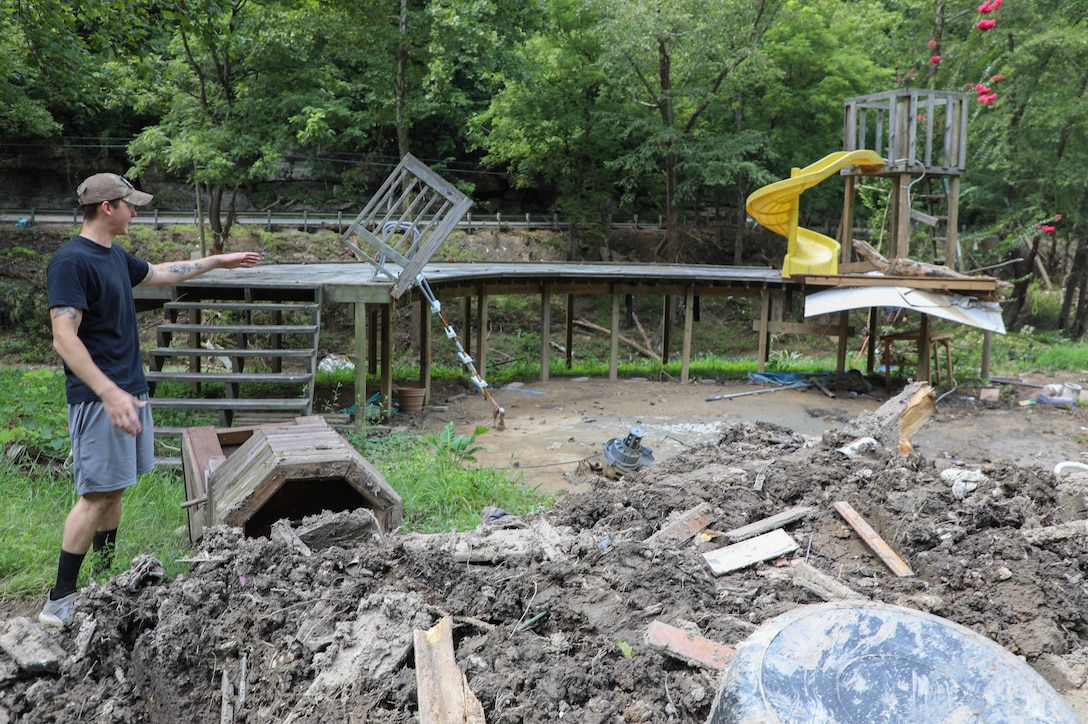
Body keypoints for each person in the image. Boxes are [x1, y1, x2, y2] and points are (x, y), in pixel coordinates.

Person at [41, 173, 261, 626]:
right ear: (108, 208)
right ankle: (58, 599)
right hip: (102, 398)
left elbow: (163, 273)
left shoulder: (114, 256)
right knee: (95, 495)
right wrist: (109, 393)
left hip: (128, 392)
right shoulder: (71, 262)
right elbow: (64, 338)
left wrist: (219, 260)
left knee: (115, 488)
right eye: (130, 204)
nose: (135, 212)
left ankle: (102, 581)